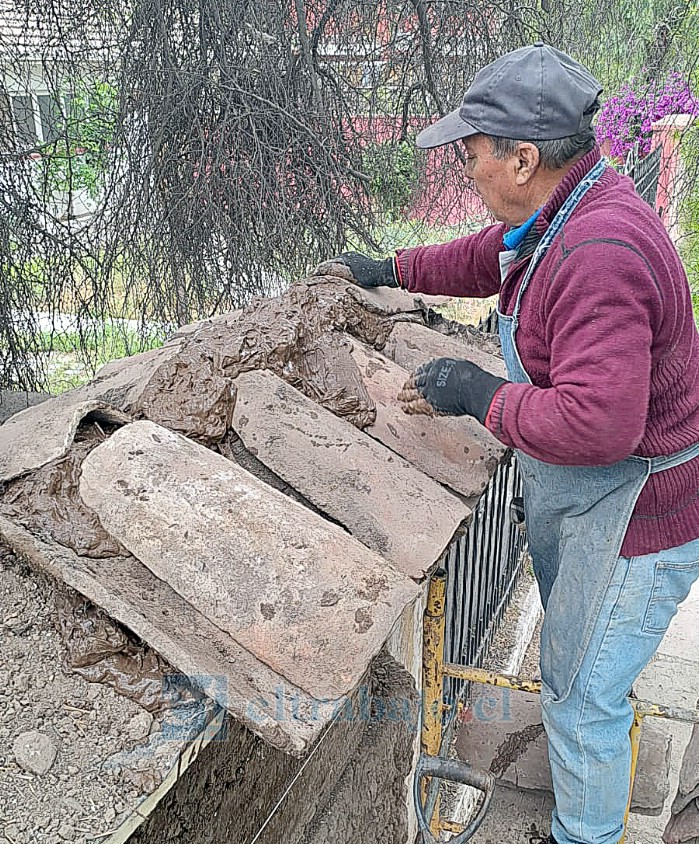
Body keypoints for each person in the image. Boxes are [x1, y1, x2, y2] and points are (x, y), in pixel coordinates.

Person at [319, 43, 699, 844]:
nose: (469, 171)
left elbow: (601, 424)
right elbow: (483, 257)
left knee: (582, 695)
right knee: (582, 671)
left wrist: (479, 394)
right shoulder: (565, 207)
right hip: (595, 497)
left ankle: (583, 835)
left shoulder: (599, 253)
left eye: (473, 156)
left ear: (524, 158)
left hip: (638, 512)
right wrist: (388, 267)